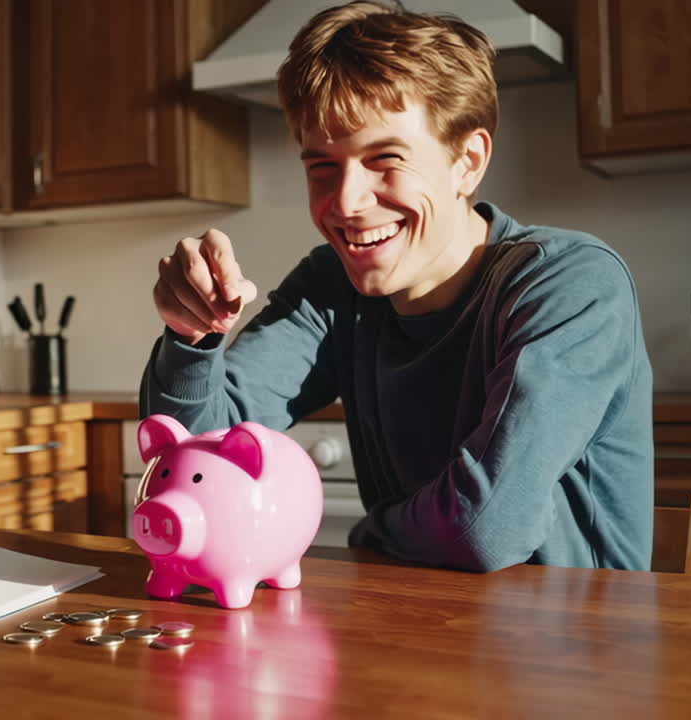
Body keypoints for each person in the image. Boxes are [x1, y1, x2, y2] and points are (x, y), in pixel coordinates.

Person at [139, 0, 653, 572]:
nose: (346, 202)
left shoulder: (571, 284)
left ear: (468, 161)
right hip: (406, 616)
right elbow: (193, 458)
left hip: (580, 626)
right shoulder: (332, 288)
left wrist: (369, 534)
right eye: (322, 166)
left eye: (385, 159)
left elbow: (484, 528)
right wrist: (191, 339)